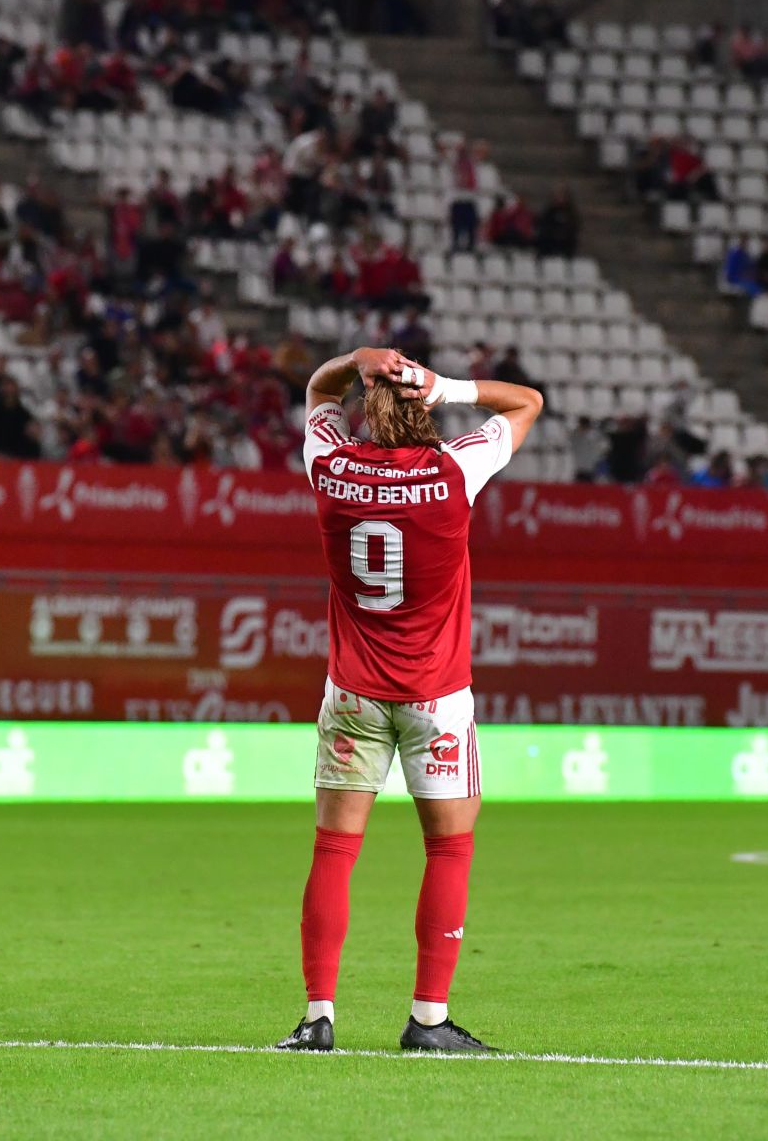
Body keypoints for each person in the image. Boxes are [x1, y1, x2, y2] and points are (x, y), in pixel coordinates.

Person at [277, 345, 544, 1055]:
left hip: (354, 693)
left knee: (335, 849)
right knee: (448, 850)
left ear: (364, 408)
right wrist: (447, 383)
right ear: (424, 406)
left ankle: (316, 1018)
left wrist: (357, 361)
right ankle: (428, 1020)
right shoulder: (454, 469)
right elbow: (526, 403)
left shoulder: (330, 466)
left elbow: (316, 390)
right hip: (436, 697)